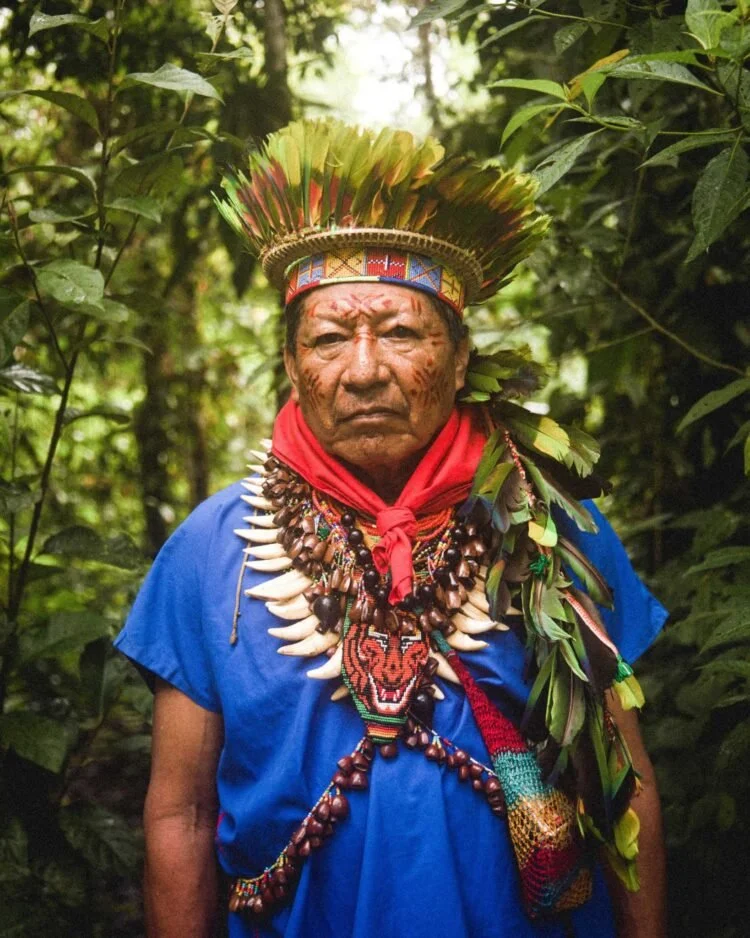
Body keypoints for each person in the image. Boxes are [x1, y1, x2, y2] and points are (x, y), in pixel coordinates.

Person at [115, 118, 667, 938]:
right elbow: (182, 818)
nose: (364, 369)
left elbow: (627, 787)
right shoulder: (212, 552)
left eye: (402, 332)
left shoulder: (557, 529)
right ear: (294, 363)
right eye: (330, 337)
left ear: (457, 353)